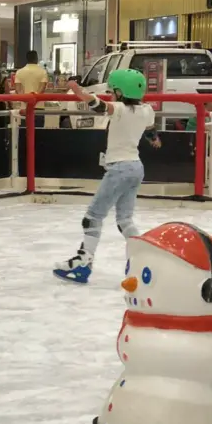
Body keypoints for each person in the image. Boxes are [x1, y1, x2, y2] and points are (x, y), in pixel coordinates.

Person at [54, 68, 160, 284]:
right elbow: (150, 128)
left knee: (93, 216)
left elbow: (98, 105)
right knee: (124, 219)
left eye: (113, 91)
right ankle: (140, 259)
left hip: (119, 168)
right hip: (136, 167)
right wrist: (153, 139)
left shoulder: (120, 109)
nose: (111, 95)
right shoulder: (147, 110)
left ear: (120, 92)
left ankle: (84, 262)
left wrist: (77, 90)